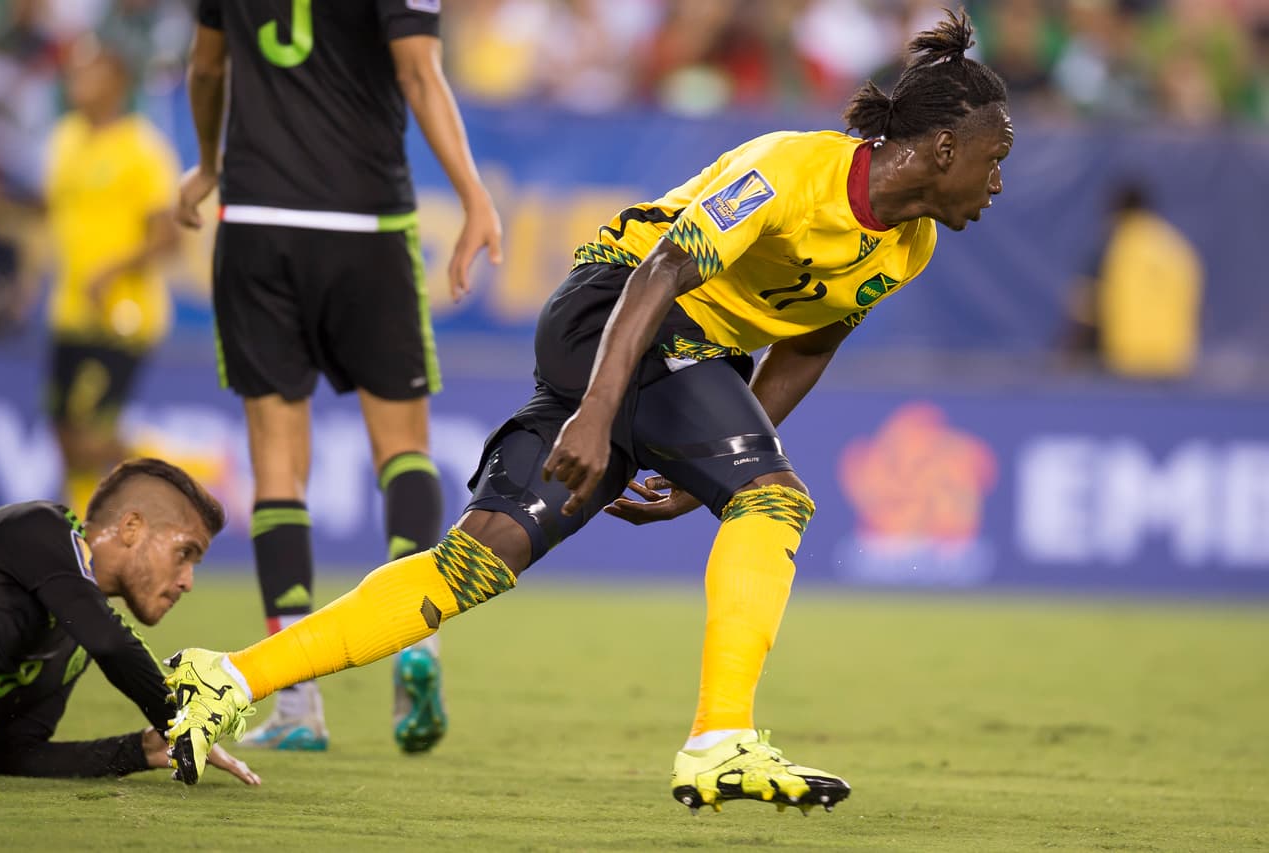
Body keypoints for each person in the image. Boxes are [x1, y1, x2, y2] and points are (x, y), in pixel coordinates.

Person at [164, 8, 1011, 813]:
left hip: (673, 360)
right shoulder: (795, 170)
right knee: (775, 499)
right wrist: (599, 412)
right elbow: (660, 274)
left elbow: (808, 344)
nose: (999, 180)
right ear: (942, 148)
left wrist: (708, 460)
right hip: (613, 311)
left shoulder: (911, 245)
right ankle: (722, 739)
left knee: (477, 560)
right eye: (993, 155)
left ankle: (225, 678)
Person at [176, 1, 503, 753]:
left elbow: (206, 65)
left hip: (256, 221)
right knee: (402, 449)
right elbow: (420, 74)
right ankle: (417, 639)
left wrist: (206, 162)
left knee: (278, 461)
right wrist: (474, 195)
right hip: (368, 222)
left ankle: (295, 702)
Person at [0, 458, 257, 784]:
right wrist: (181, 722)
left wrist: (137, 750)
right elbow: (112, 643)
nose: (188, 582)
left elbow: (13, 754)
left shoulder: (74, 637)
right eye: (184, 553)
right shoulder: (38, 527)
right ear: (132, 528)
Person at [43, 38, 181, 518]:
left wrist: (112, 270)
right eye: (75, 73)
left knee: (90, 433)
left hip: (124, 313)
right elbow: (57, 221)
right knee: (64, 432)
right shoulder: (63, 139)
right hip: (69, 309)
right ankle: (78, 536)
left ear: (118, 81)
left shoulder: (142, 148)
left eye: (90, 72)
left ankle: (186, 469)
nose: (77, 82)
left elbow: (170, 238)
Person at [1059, 180, 1203, 379]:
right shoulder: (1179, 250)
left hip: (1125, 366)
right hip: (1175, 365)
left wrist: (1063, 364)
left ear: (1117, 210)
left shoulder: (1114, 247)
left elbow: (1085, 312)